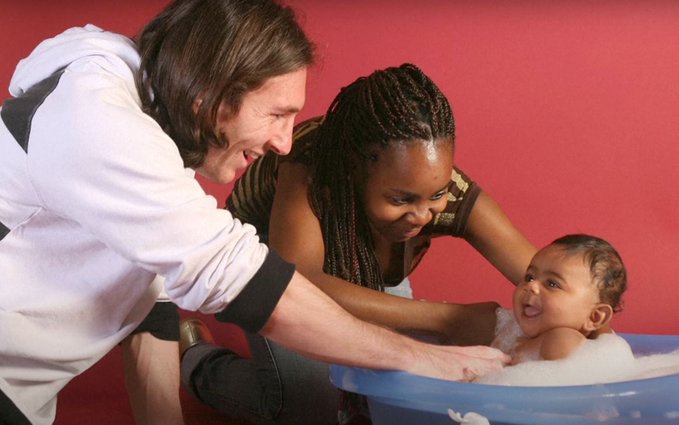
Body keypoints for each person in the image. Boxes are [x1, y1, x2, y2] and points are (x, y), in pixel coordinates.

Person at [0, 3, 509, 425]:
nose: (283, 141)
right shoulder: (95, 121)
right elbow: (238, 279)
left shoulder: (149, 139)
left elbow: (147, 307)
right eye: (277, 114)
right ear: (211, 97)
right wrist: (424, 357)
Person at [179, 63, 537, 425]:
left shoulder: (443, 193)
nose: (422, 215)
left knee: (393, 390)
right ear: (355, 170)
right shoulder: (309, 167)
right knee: (313, 405)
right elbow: (299, 283)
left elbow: (550, 278)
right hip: (272, 258)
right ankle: (198, 360)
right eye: (401, 199)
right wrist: (447, 319)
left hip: (360, 264)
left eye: (436, 194)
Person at [491, 234, 627, 365]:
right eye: (529, 277)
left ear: (594, 317)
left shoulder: (565, 340)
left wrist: (519, 351)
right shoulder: (512, 328)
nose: (531, 285)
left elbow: (563, 347)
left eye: (552, 284)